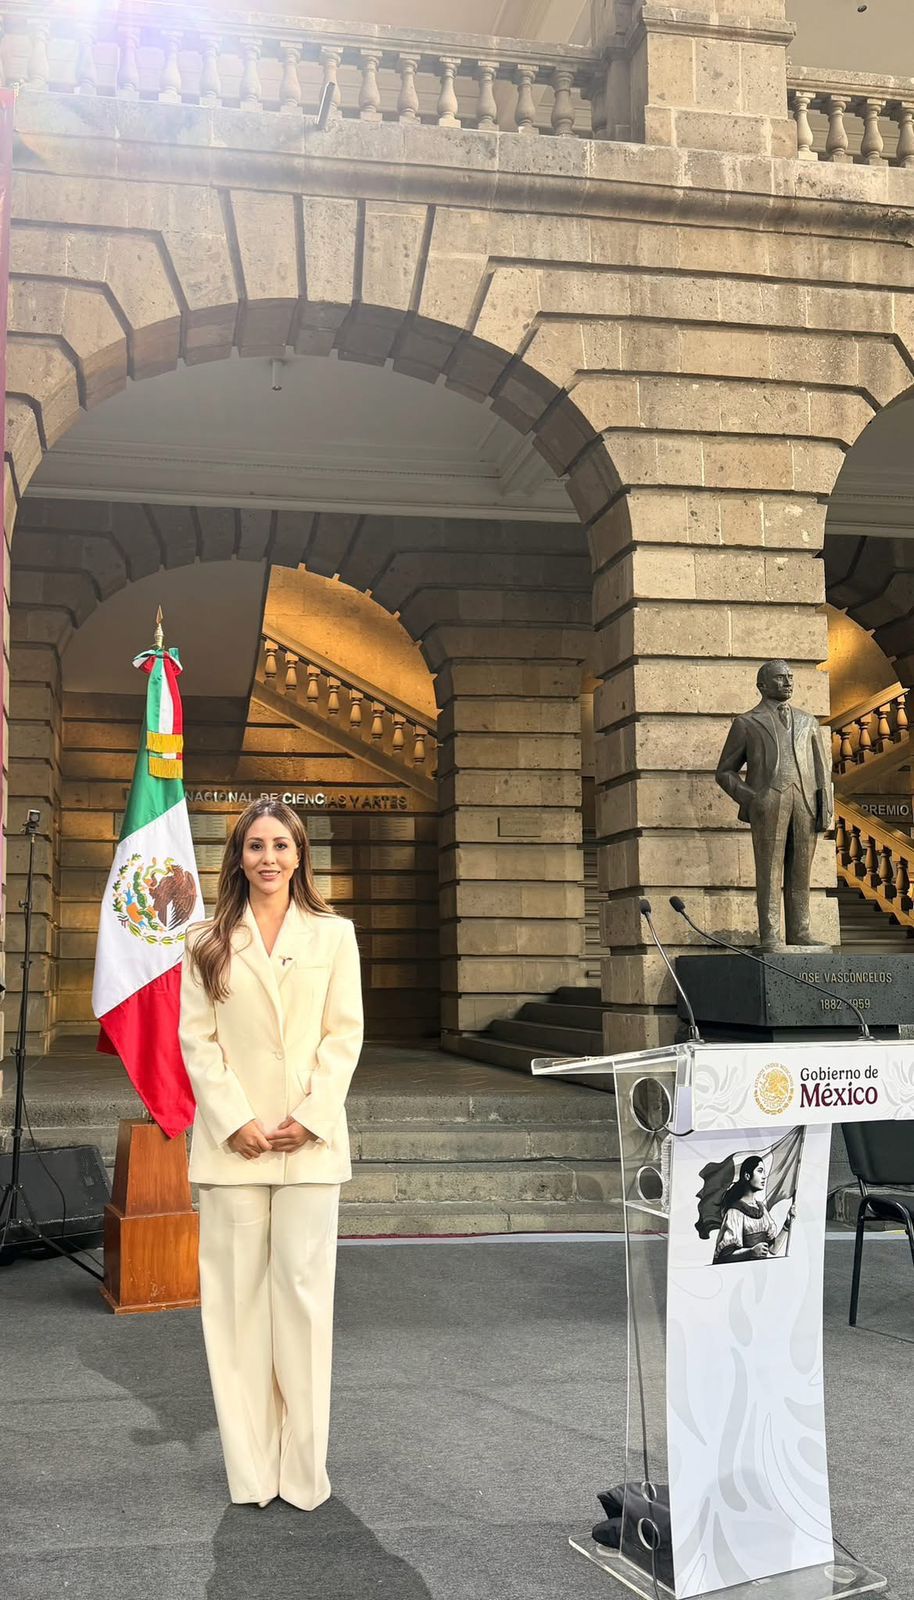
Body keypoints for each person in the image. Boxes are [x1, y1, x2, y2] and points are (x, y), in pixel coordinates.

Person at [179, 797, 363, 1511]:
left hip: (309, 1148)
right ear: (238, 856)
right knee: (236, 1310)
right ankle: (251, 1473)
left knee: (304, 1305)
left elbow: (344, 1036)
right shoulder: (205, 940)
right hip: (234, 1149)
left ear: (299, 854)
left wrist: (311, 1117)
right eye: (255, 845)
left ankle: (304, 1473)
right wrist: (234, 1121)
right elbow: (197, 1041)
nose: (268, 858)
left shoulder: (335, 935)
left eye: (280, 845)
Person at [715, 659, 833, 951]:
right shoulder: (747, 722)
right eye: (780, 677)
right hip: (768, 802)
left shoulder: (808, 721)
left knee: (801, 870)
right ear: (762, 685)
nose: (788, 682)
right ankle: (770, 934)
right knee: (769, 871)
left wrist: (825, 805)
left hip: (806, 802)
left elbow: (822, 768)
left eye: (790, 677)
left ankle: (800, 931)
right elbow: (725, 771)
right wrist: (751, 798)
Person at [713, 1156, 795, 1264]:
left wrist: (787, 1225)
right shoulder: (734, 1212)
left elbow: (773, 1249)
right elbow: (725, 1256)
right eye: (760, 1171)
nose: (764, 1176)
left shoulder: (762, 1209)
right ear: (747, 1176)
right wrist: (750, 1252)